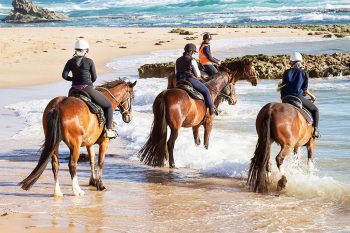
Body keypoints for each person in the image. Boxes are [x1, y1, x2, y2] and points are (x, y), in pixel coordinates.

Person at [62, 39, 117, 138]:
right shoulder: (89, 61)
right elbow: (94, 77)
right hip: (86, 88)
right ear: (86, 50)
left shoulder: (70, 62)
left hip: (73, 90)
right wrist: (87, 82)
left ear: (76, 49)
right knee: (108, 105)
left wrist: (73, 79)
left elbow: (64, 76)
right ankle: (108, 130)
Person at [281, 52, 319, 138]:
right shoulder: (304, 73)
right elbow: (305, 90)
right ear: (300, 62)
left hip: (286, 98)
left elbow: (283, 86)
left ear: (292, 62)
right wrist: (312, 96)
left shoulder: (286, 72)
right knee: (315, 110)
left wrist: (283, 99)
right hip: (297, 97)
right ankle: (315, 131)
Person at [175, 43, 217, 116]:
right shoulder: (192, 60)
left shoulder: (177, 60)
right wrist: (199, 77)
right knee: (206, 91)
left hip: (179, 81)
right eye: (193, 52)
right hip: (189, 79)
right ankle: (211, 109)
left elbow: (176, 72)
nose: (193, 54)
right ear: (191, 51)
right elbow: (198, 74)